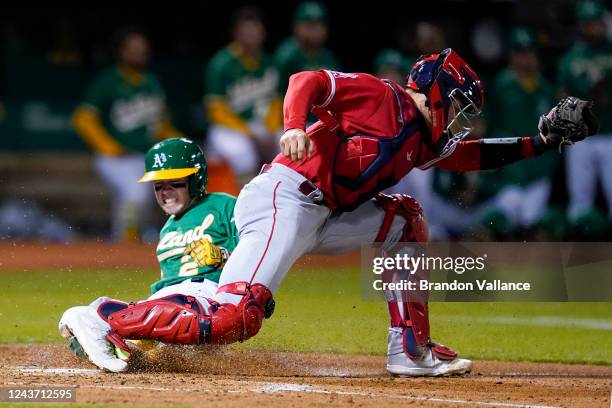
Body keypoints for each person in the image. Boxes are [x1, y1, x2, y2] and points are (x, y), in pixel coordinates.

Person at [60, 49, 597, 376]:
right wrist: (293, 124)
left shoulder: (420, 138)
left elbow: (472, 156)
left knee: (406, 221)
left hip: (323, 214)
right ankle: (105, 315)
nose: (458, 119)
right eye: (455, 106)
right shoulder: (384, 99)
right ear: (433, 95)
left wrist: (542, 141)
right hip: (285, 196)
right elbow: (306, 81)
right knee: (236, 316)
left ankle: (409, 349)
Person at [59, 137, 238, 372]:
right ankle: (112, 332)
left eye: (174, 183)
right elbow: (168, 282)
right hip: (170, 303)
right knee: (139, 315)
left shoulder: (225, 205)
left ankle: (105, 325)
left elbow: (257, 250)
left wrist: (224, 255)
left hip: (206, 297)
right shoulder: (168, 228)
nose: (166, 193)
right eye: (159, 186)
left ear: (196, 179)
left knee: (172, 308)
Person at [73, 28, 182, 241]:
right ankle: (126, 243)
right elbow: (82, 118)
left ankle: (125, 246)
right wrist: (109, 146)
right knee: (135, 194)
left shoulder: (151, 82)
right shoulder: (109, 81)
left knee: (137, 200)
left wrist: (179, 141)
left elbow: (160, 124)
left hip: (145, 155)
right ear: (121, 52)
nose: (138, 54)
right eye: (133, 50)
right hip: (115, 157)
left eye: (142, 50)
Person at [476, 27, 558, 238]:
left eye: (529, 52)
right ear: (511, 56)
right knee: (501, 219)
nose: (525, 58)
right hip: (510, 171)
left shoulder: (546, 89)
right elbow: (487, 126)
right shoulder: (500, 85)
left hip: (538, 171)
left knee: (532, 222)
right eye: (520, 52)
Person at [204, 6, 282, 185]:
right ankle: (245, 203)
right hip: (228, 128)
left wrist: (270, 131)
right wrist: (250, 134)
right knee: (243, 155)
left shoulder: (268, 61)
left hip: (261, 126)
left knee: (288, 146)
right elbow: (216, 111)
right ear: (235, 33)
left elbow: (275, 103)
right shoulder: (222, 63)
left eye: (256, 29)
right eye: (246, 29)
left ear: (263, 33)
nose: (251, 34)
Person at [558, 0, 612, 237]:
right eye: (587, 24)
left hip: (611, 134)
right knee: (580, 201)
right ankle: (581, 253)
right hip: (582, 137)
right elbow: (560, 96)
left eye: (596, 23)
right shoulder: (571, 58)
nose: (593, 28)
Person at [274, 1, 342, 94]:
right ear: (296, 27)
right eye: (309, 26)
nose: (314, 31)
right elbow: (275, 94)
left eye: (318, 25)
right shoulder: (286, 57)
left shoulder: (329, 58)